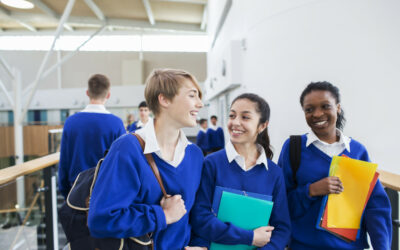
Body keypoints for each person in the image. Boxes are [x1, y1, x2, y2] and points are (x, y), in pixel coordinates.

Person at [88, 69, 205, 249]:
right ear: (164, 99)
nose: (200, 104)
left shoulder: (195, 155)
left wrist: (200, 244)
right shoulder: (128, 149)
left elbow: (196, 214)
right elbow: (102, 219)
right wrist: (162, 216)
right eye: (192, 96)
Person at [278, 81, 392, 250]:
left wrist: (382, 247)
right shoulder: (293, 148)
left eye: (325, 106)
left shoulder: (357, 151)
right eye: (309, 109)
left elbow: (375, 207)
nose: (317, 114)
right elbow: (280, 205)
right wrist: (311, 190)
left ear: (337, 108)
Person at [190, 93, 291, 249]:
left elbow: (282, 228)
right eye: (232, 116)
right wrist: (249, 237)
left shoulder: (274, 173)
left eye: (245, 117)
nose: (235, 122)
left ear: (262, 125)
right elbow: (200, 217)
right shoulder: (211, 164)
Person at [58, 74, 125, 199]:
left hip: (76, 190)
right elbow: (121, 163)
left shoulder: (71, 122)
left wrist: (65, 190)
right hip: (105, 192)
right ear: (108, 95)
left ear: (87, 93)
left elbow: (64, 160)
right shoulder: (116, 123)